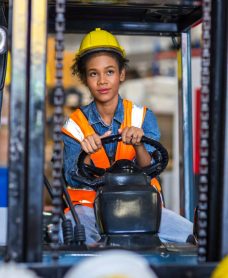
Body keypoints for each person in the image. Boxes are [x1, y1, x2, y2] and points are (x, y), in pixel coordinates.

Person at [61, 28, 193, 244]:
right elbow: (71, 176)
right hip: (88, 210)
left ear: (121, 74)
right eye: (94, 73)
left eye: (109, 72)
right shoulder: (74, 125)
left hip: (140, 207)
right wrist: (87, 154)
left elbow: (151, 169)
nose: (102, 80)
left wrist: (139, 145)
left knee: (193, 236)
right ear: (85, 78)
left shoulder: (142, 117)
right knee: (68, 236)